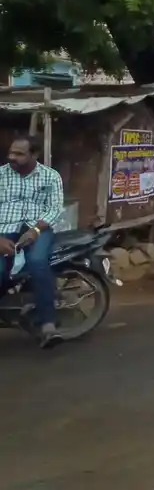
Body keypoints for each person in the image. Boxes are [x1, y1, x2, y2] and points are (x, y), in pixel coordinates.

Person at [0, 135, 65, 348]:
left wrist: (36, 229)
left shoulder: (50, 176)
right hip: (4, 230)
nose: (12, 157)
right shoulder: (1, 175)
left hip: (37, 228)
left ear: (34, 154)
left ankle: (48, 324)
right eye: (11, 152)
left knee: (37, 262)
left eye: (19, 154)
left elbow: (55, 208)